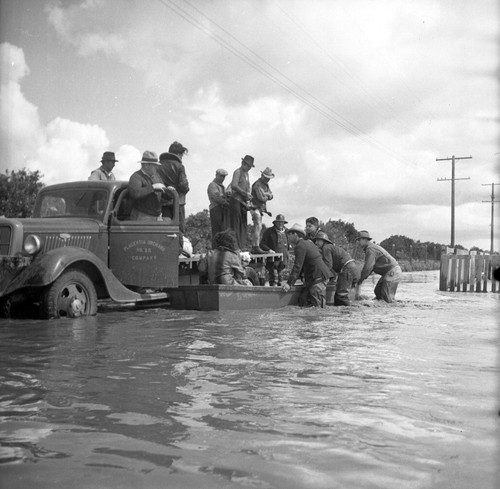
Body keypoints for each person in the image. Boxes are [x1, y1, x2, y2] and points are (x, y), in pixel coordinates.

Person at [282, 223, 331, 307]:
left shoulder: (300, 245)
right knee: (303, 299)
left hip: (318, 278)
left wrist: (289, 284)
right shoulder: (307, 243)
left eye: (289, 235)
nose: (288, 237)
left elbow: (297, 266)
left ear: (295, 234)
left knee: (317, 307)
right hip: (317, 277)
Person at [314, 231, 359, 306]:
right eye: (316, 240)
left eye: (318, 240)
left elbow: (328, 265)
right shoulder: (331, 247)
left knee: (341, 297)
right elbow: (332, 269)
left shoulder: (326, 248)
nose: (316, 243)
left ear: (324, 241)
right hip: (353, 269)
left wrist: (319, 277)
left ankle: (347, 315)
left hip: (347, 269)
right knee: (342, 297)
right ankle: (346, 314)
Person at [356, 230, 402, 303]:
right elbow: (370, 267)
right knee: (378, 292)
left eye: (359, 240)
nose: (358, 242)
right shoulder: (370, 248)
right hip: (389, 272)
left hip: (392, 271)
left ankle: (392, 310)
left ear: (365, 239)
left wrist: (360, 280)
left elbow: (368, 268)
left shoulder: (370, 249)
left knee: (386, 298)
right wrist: (362, 278)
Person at [157, 142, 190, 233]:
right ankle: (178, 247)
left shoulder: (158, 165)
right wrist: (186, 189)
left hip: (163, 202)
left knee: (166, 229)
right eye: (182, 155)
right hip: (177, 202)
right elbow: (183, 185)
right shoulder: (179, 166)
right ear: (179, 154)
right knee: (179, 230)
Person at [128, 151, 166, 221]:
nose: (157, 167)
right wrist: (153, 187)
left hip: (157, 216)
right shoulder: (135, 177)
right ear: (146, 165)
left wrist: (168, 191)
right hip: (141, 217)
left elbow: (164, 194)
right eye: (154, 165)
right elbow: (135, 193)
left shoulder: (157, 177)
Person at [229, 155, 254, 250]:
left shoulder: (246, 174)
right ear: (243, 164)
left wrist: (248, 195)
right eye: (248, 166)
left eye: (250, 167)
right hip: (235, 200)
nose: (249, 168)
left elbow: (248, 187)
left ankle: (242, 246)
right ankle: (235, 246)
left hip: (243, 202)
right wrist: (244, 193)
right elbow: (234, 185)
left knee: (243, 224)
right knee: (235, 224)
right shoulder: (237, 172)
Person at [259, 213, 289, 286]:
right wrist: (269, 250)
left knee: (281, 279)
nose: (280, 223)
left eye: (282, 222)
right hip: (273, 260)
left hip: (283, 259)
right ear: (275, 223)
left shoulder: (287, 232)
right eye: (278, 222)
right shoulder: (269, 231)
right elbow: (262, 244)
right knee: (273, 278)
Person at [207, 169, 230, 247]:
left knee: (223, 230)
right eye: (221, 176)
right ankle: (216, 249)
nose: (222, 178)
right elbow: (217, 197)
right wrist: (226, 202)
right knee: (217, 230)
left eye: (224, 177)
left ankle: (221, 248)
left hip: (223, 209)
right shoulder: (212, 185)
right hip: (216, 208)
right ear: (216, 175)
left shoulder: (223, 187)